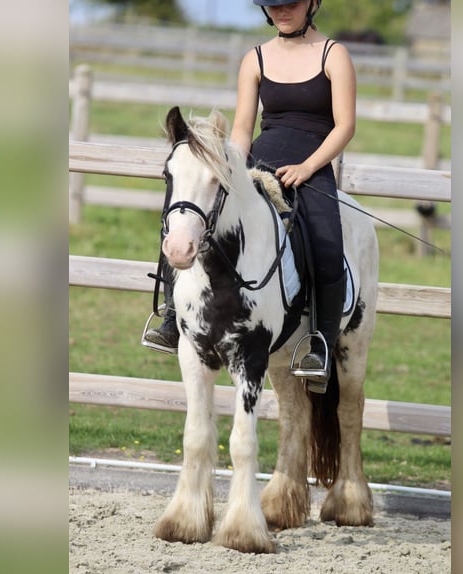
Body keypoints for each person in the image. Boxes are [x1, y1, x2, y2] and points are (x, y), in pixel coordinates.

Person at [144, 0, 356, 392]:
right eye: (273, 5)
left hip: (312, 169)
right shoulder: (255, 58)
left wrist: (308, 168)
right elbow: (242, 127)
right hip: (260, 163)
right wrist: (234, 168)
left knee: (327, 245)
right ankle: (173, 318)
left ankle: (319, 345)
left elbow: (344, 126)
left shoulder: (333, 55)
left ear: (311, 3)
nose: (281, 11)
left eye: (290, 4)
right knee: (191, 220)